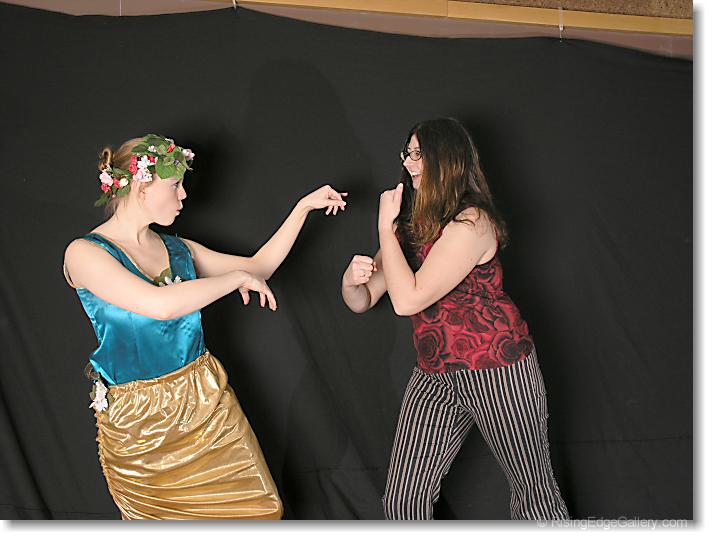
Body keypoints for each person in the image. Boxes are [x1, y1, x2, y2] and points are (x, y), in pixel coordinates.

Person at [63, 134, 347, 520]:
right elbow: (159, 305)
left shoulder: (179, 250)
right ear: (142, 188)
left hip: (205, 403)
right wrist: (233, 281)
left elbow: (259, 267)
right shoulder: (84, 253)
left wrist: (302, 209)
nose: (183, 196)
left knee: (257, 512)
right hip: (141, 427)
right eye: (175, 185)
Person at [341, 118, 569, 520]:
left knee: (534, 497)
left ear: (446, 159)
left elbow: (407, 300)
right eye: (406, 153)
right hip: (436, 375)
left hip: (497, 370)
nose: (408, 162)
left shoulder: (472, 223)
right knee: (403, 502)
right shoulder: (410, 227)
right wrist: (350, 279)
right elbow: (363, 300)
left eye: (418, 153)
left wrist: (383, 229)